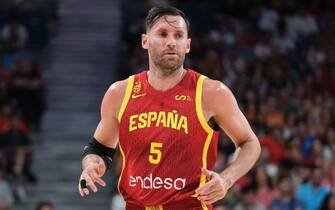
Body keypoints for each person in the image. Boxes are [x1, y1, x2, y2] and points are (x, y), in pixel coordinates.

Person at [78, 6, 261, 210]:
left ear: (188, 45)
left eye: (179, 35)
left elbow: (250, 143)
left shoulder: (212, 93)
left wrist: (227, 179)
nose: (171, 42)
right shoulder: (120, 93)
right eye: (163, 34)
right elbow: (98, 149)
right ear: (145, 41)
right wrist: (91, 165)